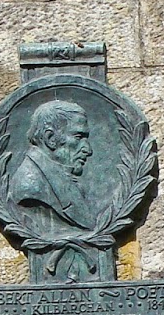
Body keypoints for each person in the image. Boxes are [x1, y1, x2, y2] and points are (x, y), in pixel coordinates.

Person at [7, 99, 104, 236]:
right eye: (78, 137)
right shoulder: (31, 187)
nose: (88, 150)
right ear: (50, 138)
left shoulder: (57, 178)